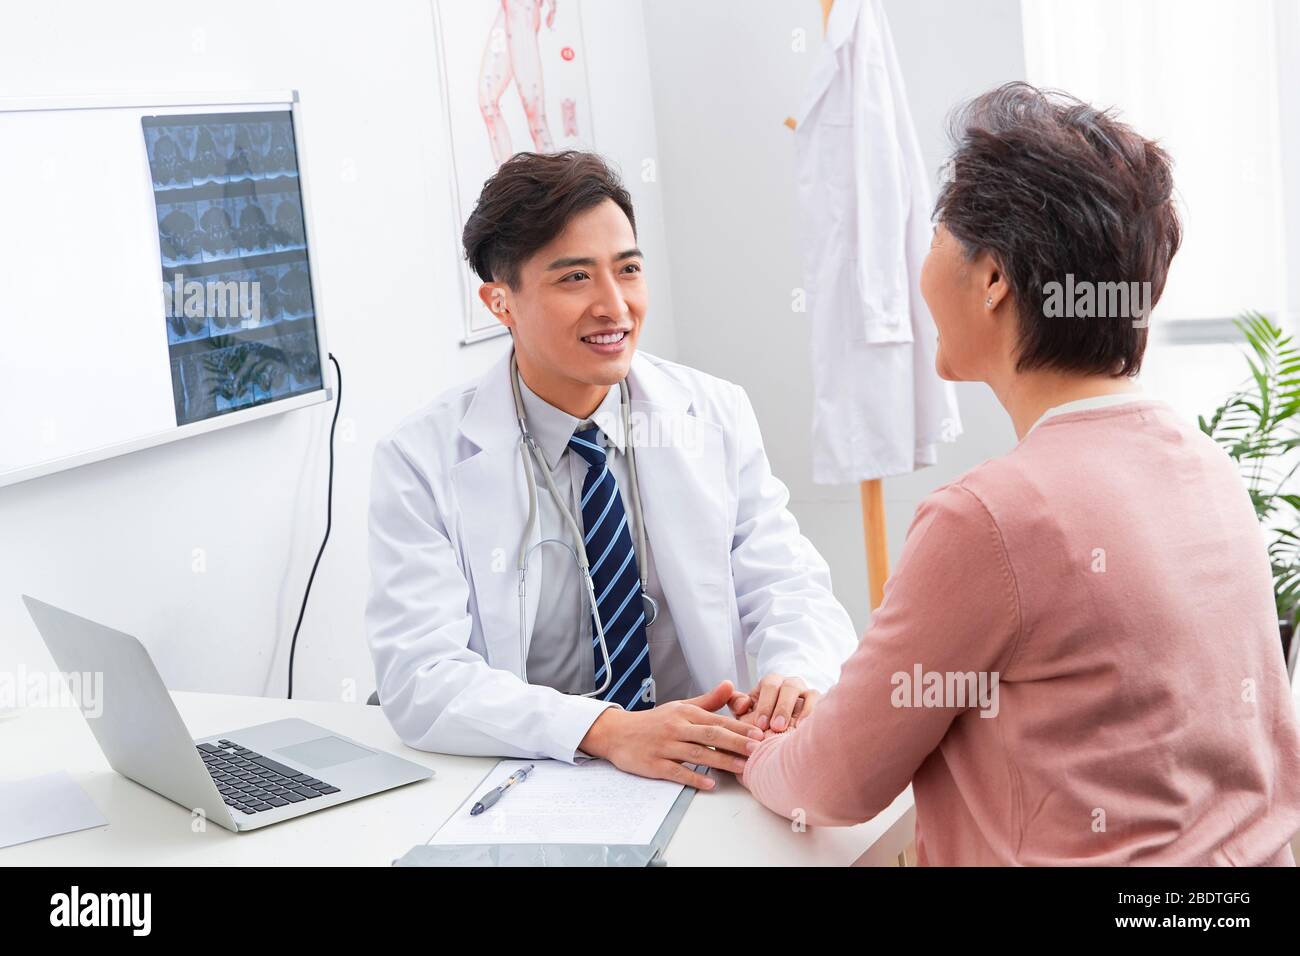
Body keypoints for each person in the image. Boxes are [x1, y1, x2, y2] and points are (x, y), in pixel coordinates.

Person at [742, 82, 1300, 865]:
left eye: (938, 233)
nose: (922, 263)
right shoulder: (1201, 463)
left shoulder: (992, 516)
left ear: (994, 278)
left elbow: (835, 782)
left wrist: (755, 746)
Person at [365, 150, 857, 790]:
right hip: (535, 781)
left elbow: (790, 585)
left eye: (627, 270)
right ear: (500, 302)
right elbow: (421, 676)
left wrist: (794, 678)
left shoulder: (713, 415)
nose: (614, 306)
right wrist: (606, 731)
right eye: (574, 279)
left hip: (704, 774)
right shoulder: (420, 460)